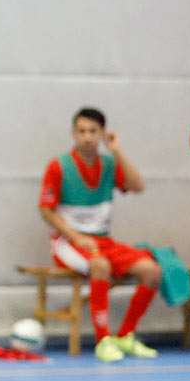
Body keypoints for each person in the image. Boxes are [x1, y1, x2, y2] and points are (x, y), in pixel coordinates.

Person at [38, 107, 156, 363]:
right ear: (73, 134)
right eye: (81, 131)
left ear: (103, 133)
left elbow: (137, 186)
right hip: (68, 242)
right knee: (100, 266)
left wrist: (117, 151)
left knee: (151, 270)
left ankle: (125, 335)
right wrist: (75, 236)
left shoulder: (110, 163)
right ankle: (104, 339)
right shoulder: (59, 166)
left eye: (93, 131)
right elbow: (46, 210)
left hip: (102, 241)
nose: (87, 137)